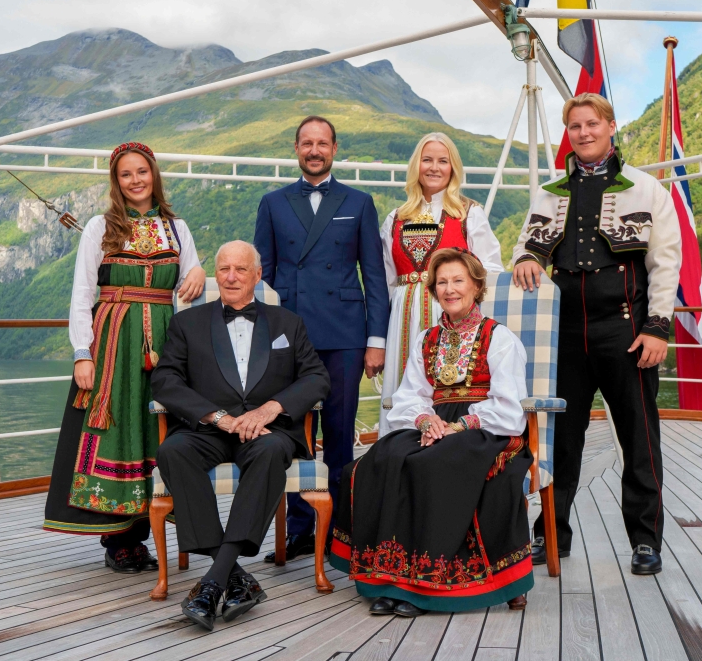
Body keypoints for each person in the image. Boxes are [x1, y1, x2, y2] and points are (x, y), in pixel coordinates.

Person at [511, 93, 682, 575]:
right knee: (561, 440)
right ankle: (551, 536)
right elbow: (527, 247)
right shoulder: (549, 193)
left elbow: (665, 265)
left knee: (638, 437)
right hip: (563, 333)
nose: (583, 133)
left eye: (591, 124)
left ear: (610, 127)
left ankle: (646, 541)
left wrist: (657, 328)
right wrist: (527, 258)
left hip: (626, 330)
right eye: (574, 126)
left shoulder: (647, 190)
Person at [330, 249, 532, 616]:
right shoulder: (427, 338)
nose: (450, 289)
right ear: (434, 290)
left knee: (432, 465)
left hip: (487, 427)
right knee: (382, 460)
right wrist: (426, 421)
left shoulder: (500, 339)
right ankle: (389, 578)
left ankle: (426, 585)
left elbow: (509, 406)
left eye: (458, 281)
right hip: (434, 424)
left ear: (476, 285)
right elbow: (411, 395)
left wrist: (458, 425)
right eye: (442, 282)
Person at [43, 141, 206, 573]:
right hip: (113, 341)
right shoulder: (101, 226)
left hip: (166, 343)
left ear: (154, 174)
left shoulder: (177, 228)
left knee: (158, 429)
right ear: (116, 181)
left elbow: (192, 284)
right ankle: (120, 540)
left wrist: (199, 270)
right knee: (117, 429)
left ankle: (157, 525)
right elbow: (82, 295)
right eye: (125, 174)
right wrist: (82, 353)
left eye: (142, 172)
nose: (135, 180)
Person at [151, 241, 330, 631]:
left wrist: (271, 408)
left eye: (240, 269)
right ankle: (233, 577)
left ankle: (212, 582)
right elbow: (164, 380)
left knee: (269, 453)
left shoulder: (288, 323)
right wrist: (217, 417)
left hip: (268, 430)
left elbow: (317, 377)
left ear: (257, 275)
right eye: (224, 269)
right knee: (173, 450)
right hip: (209, 428)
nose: (231, 277)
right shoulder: (187, 323)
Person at [254, 115, 390, 562]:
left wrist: (376, 340)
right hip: (287, 333)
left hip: (345, 333)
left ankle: (340, 531)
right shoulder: (272, 203)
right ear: (296, 149)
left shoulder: (359, 201)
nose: (314, 151)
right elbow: (263, 276)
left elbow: (373, 275)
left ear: (335, 148)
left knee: (338, 431)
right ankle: (297, 527)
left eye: (322, 143)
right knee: (290, 431)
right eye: (306, 143)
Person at [378, 132, 503, 436]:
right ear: (416, 166)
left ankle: (447, 442)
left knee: (448, 385)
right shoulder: (395, 218)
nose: (434, 167)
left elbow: (490, 269)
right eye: (427, 159)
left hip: (452, 312)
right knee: (403, 388)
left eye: (443, 161)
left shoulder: (468, 213)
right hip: (403, 317)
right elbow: (384, 281)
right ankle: (398, 453)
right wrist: (380, 340)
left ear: (453, 168)